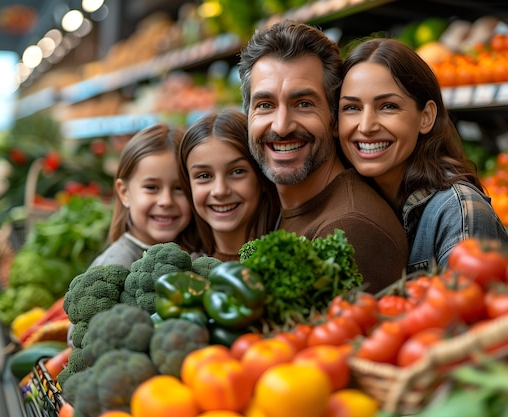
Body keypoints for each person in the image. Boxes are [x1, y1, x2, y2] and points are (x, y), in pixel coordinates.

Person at [238, 20, 409, 293]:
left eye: (303, 104)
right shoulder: (276, 205)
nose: (281, 126)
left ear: (333, 120)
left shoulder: (350, 230)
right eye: (265, 105)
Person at [338, 37, 508, 274]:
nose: (366, 126)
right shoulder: (357, 204)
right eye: (352, 108)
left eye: (388, 106)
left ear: (426, 116)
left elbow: (468, 307)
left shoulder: (457, 211)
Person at [90, 123, 199, 268]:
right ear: (124, 193)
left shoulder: (198, 254)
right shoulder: (114, 265)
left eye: (179, 188)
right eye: (151, 187)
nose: (166, 201)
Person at [178, 108, 280, 261]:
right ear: (189, 186)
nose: (220, 191)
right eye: (204, 176)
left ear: (262, 177)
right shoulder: (184, 269)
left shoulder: (285, 259)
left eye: (237, 172)